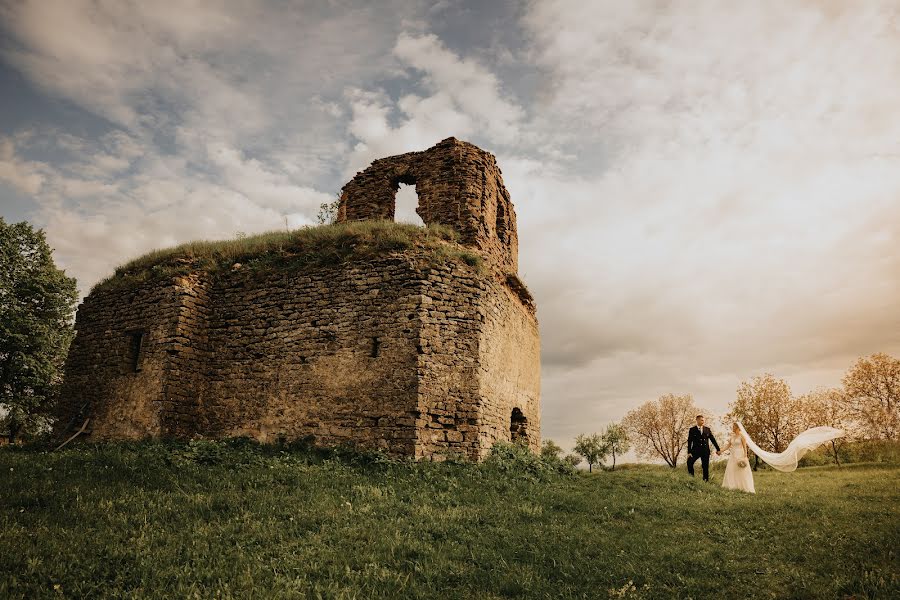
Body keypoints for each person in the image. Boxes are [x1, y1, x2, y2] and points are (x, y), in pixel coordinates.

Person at [720, 422, 755, 493]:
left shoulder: (742, 437)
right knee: (731, 469)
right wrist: (721, 451)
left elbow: (745, 448)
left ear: (737, 428)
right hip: (733, 455)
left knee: (741, 471)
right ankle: (732, 486)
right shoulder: (732, 436)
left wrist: (745, 457)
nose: (732, 428)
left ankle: (743, 487)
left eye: (733, 427)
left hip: (740, 455)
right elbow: (728, 446)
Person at [686, 414, 720, 481]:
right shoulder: (692, 430)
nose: (703, 421)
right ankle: (691, 478)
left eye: (704, 420)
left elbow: (713, 440)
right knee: (689, 462)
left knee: (705, 466)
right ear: (697, 420)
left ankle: (705, 481)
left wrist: (718, 449)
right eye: (701, 420)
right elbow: (689, 441)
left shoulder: (707, 429)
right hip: (695, 451)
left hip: (705, 451)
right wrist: (689, 452)